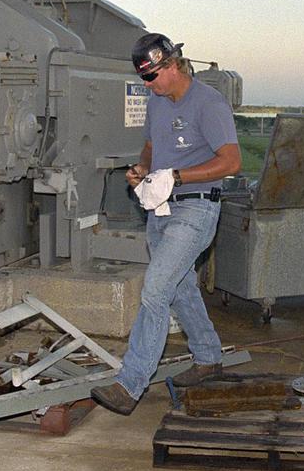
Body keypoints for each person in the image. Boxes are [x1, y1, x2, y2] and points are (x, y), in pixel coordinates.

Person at [90, 33, 241, 415]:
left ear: (173, 65)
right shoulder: (156, 102)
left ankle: (130, 384)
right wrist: (143, 169)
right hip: (160, 208)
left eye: (151, 77)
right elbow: (152, 146)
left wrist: (178, 176)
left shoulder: (209, 103)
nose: (147, 85)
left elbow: (231, 162)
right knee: (179, 287)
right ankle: (208, 358)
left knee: (155, 288)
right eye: (142, 78)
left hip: (196, 209)